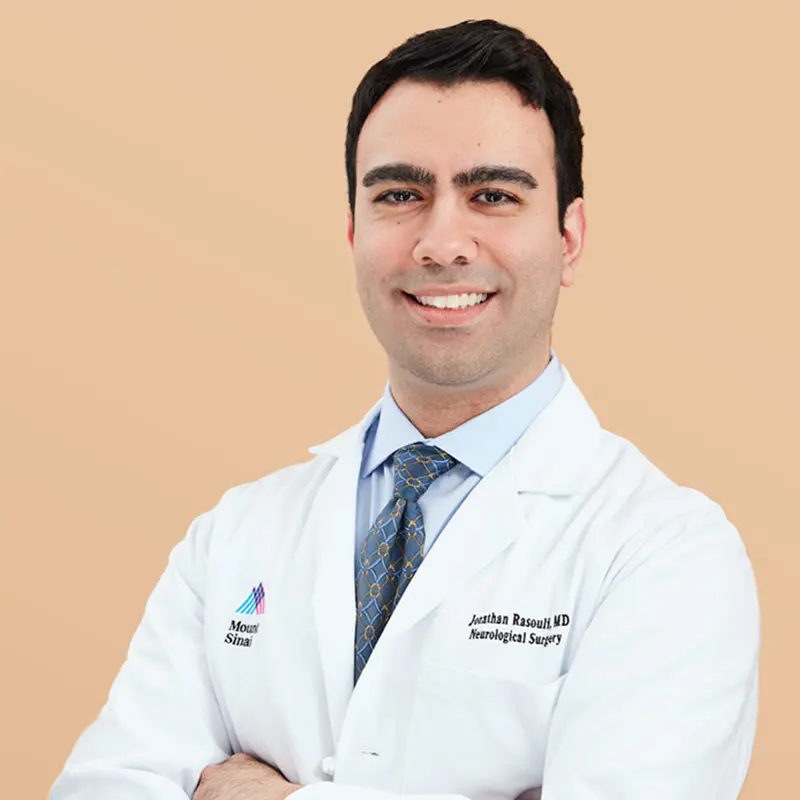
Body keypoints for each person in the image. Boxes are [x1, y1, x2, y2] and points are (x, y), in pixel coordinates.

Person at [49, 18, 760, 800]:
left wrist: (263, 795)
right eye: (400, 195)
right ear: (354, 230)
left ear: (570, 237)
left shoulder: (665, 553)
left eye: (493, 195)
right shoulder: (234, 537)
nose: (441, 243)